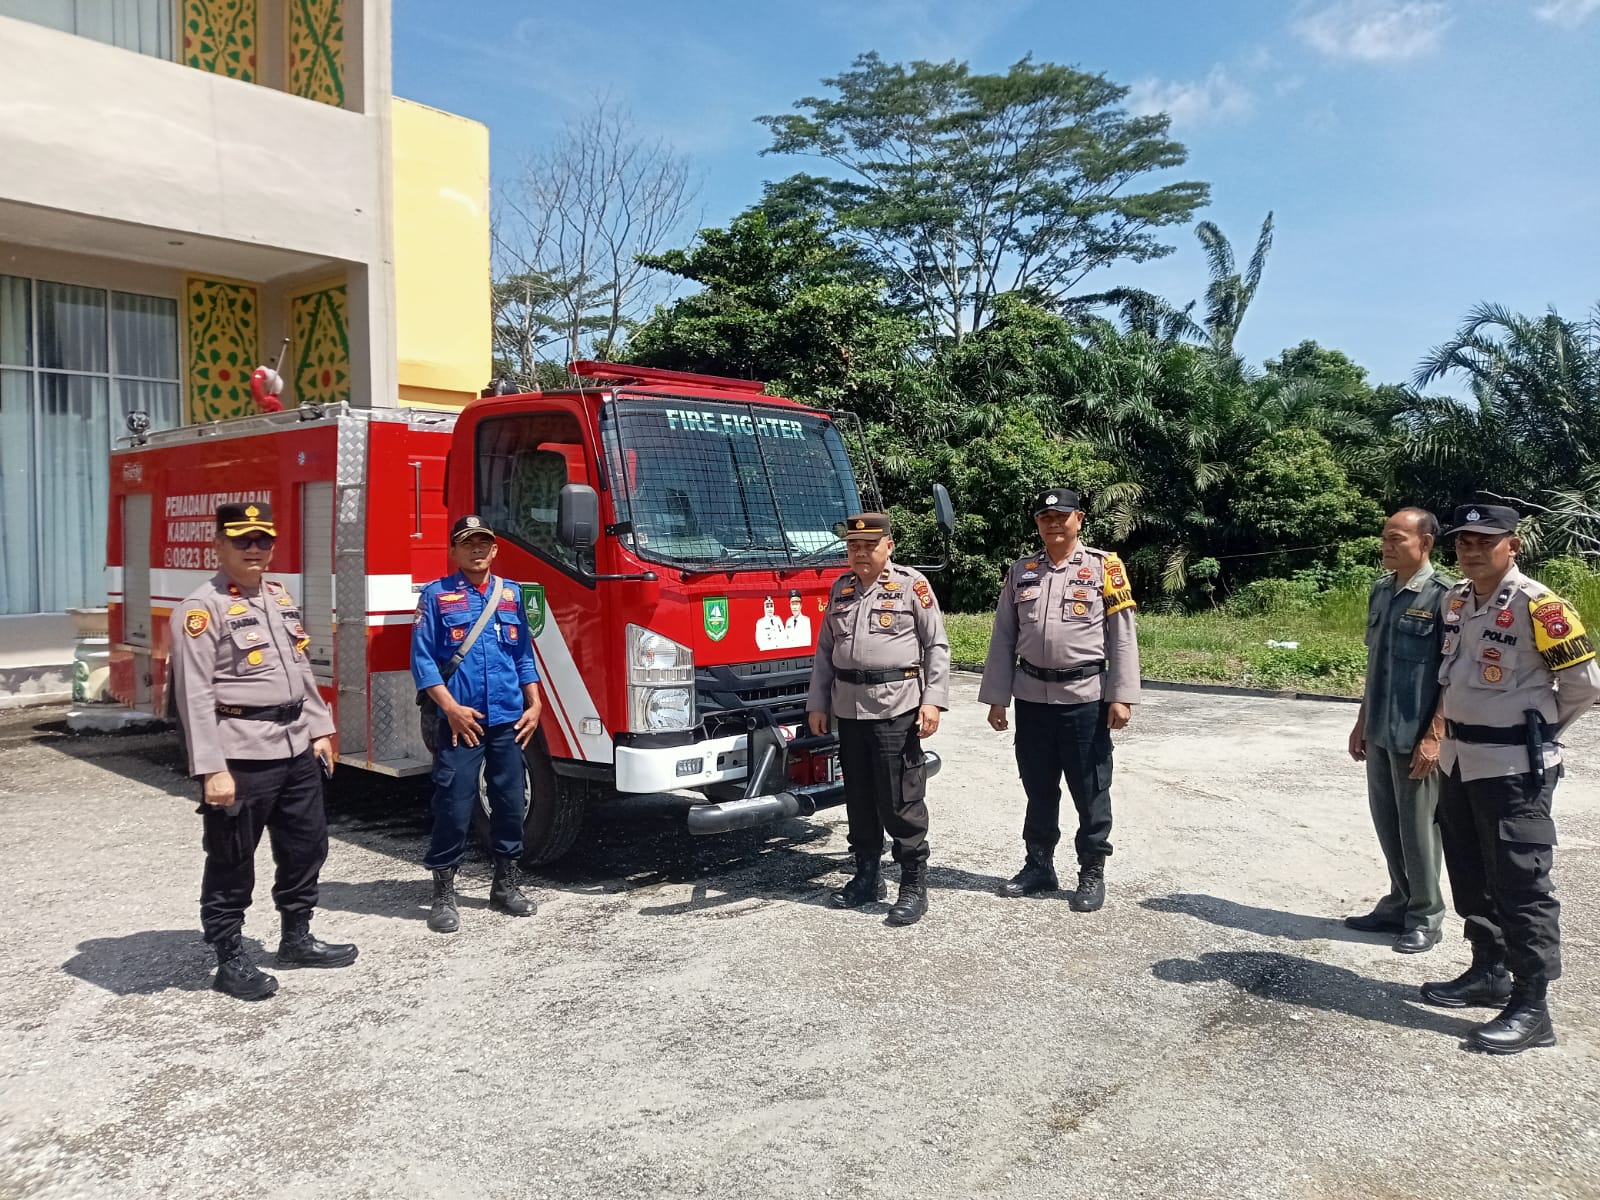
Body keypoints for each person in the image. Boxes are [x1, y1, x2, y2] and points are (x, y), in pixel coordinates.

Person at [1418, 503, 1600, 1053]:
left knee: (1521, 885)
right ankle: (1488, 972)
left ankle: (1532, 1007)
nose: (1472, 551)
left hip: (1514, 768)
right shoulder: (1456, 600)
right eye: (1464, 542)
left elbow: (1585, 686)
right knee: (1471, 872)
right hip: (1459, 760)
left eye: (1486, 541)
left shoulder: (1541, 606)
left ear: (1513, 546)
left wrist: (1535, 732)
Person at [169, 501, 357, 1001]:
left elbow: (299, 669)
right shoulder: (201, 609)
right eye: (242, 540)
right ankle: (229, 956)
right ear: (219, 545)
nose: (254, 549)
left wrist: (320, 728)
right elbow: (194, 695)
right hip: (241, 754)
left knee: (306, 847)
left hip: (295, 745)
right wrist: (211, 768)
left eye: (263, 540)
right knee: (232, 857)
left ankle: (297, 938)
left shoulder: (277, 596)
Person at [977, 488, 1139, 912]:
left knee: (1090, 789)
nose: (1053, 523)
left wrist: (1121, 696)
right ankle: (1038, 866)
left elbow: (1122, 636)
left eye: (1061, 516)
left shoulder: (1105, 567)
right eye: (1045, 517)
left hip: (1084, 699)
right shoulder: (1022, 571)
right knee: (1038, 787)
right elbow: (1004, 636)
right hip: (1032, 698)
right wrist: (997, 698)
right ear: (1038, 523)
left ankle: (1091, 871)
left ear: (1078, 519)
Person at [806, 512, 949, 926]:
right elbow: (825, 652)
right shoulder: (841, 588)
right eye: (853, 546)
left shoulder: (911, 585)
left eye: (869, 545)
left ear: (889, 546)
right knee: (860, 797)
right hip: (849, 709)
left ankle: (913, 883)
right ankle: (867, 876)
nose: (861, 552)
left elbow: (936, 646)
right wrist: (817, 704)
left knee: (899, 798)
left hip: (895, 708)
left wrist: (933, 701)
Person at [411, 515, 544, 934]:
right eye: (467, 543)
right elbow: (423, 661)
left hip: (507, 719)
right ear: (453, 550)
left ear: (495, 549)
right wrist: (450, 708)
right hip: (460, 723)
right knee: (453, 805)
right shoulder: (436, 596)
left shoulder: (511, 594)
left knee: (510, 802)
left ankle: (506, 885)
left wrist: (535, 702)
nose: (476, 550)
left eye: (483, 543)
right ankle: (443, 893)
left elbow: (522, 654)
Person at [1344, 508, 1451, 953]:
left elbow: (1452, 674)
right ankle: (1398, 902)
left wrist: (1435, 735)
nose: (1386, 546)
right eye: (1385, 538)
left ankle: (1425, 915)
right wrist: (1362, 721)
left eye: (1397, 539)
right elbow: (1378, 664)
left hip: (1416, 733)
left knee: (1419, 828)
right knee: (1387, 822)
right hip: (1381, 729)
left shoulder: (1445, 596)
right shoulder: (1382, 590)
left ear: (1425, 543)